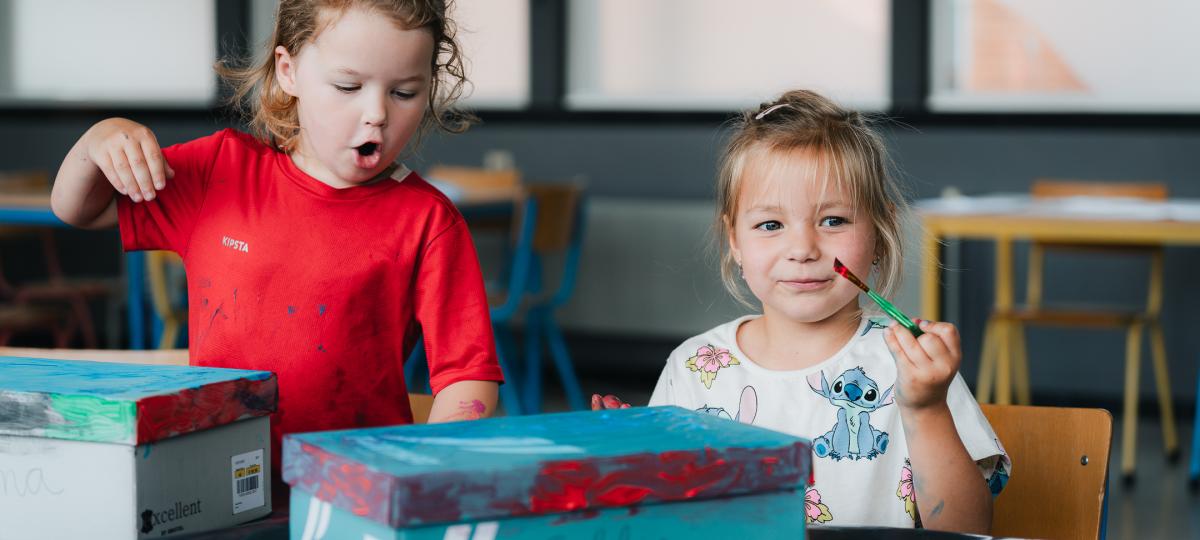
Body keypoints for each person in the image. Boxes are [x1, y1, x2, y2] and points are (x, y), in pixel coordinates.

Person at [51, 0, 504, 476]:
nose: (376, 113)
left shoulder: (429, 221)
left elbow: (467, 376)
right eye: (348, 86)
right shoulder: (220, 173)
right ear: (289, 72)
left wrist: (433, 466)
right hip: (211, 477)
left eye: (405, 93)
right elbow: (78, 209)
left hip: (350, 487)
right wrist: (99, 139)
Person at [593, 90, 1010, 532]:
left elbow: (968, 529)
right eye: (770, 225)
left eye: (833, 220)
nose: (803, 249)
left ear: (880, 233)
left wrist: (926, 408)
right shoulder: (695, 369)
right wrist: (634, 465)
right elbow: (665, 523)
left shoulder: (910, 365)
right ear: (734, 240)